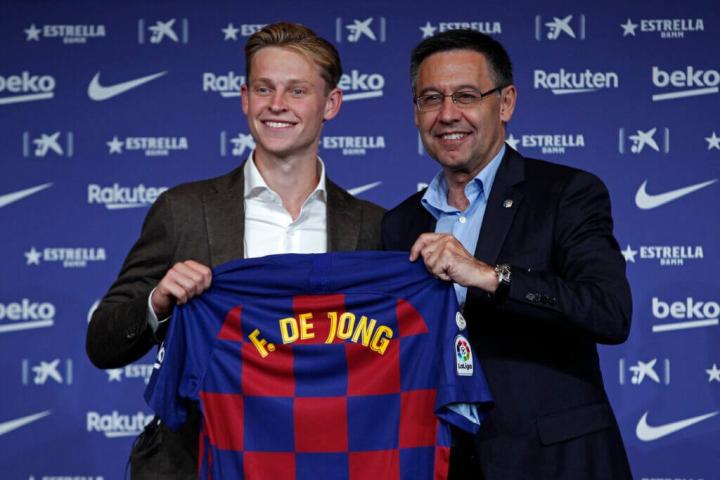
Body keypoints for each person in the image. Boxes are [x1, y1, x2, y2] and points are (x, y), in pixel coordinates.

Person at [86, 22, 384, 479]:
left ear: (331, 104)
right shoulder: (183, 210)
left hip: (329, 460)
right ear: (245, 98)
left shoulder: (375, 226)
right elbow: (102, 344)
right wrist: (156, 302)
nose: (277, 105)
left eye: (297, 90)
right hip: (200, 460)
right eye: (264, 88)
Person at [382, 29, 632, 479]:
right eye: (431, 99)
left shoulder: (567, 193)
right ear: (416, 112)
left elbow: (608, 312)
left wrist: (489, 275)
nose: (447, 114)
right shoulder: (400, 223)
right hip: (444, 462)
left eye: (466, 96)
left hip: (557, 464)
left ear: (506, 103)